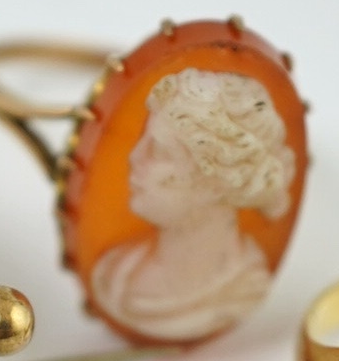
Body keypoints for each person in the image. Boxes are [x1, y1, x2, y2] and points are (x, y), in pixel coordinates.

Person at [90, 68, 296, 342]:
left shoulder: (246, 287)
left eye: (160, 151)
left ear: (216, 181)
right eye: (142, 140)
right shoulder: (112, 272)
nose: (135, 157)